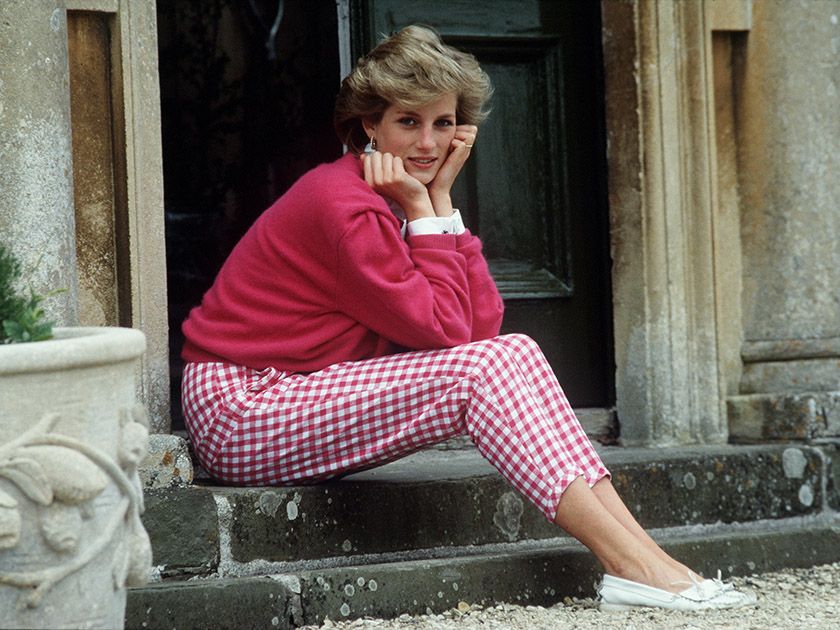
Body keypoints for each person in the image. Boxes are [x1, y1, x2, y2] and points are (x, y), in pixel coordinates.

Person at [180, 24, 754, 612]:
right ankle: (630, 565)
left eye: (444, 123)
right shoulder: (343, 205)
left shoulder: (403, 195)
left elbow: (481, 326)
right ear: (368, 126)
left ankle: (649, 561)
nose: (428, 143)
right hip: (242, 408)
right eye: (408, 122)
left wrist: (441, 202)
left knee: (516, 351)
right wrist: (422, 206)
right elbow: (450, 335)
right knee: (483, 369)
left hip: (297, 393)